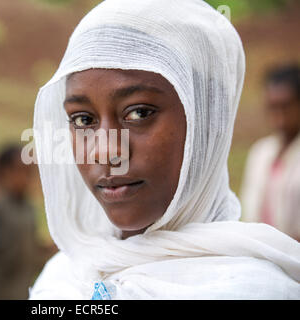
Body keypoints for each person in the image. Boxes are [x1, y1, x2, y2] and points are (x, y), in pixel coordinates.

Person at [29, 0, 300, 299]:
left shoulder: (253, 290)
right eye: (83, 119)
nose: (104, 152)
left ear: (206, 120)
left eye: (139, 113)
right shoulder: (62, 281)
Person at [241, 64, 300, 241]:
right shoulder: (261, 152)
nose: (279, 115)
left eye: (286, 106)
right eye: (273, 107)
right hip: (264, 257)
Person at [0, 144, 39, 299]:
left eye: (28, 173)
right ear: (3, 173)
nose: (25, 179)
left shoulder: (29, 210)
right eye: (19, 171)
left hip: (21, 291)